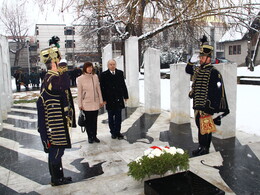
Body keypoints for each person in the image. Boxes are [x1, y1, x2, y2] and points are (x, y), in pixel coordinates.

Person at [36, 39, 76, 186]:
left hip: (55, 122)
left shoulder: (50, 77)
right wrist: (63, 71)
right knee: (56, 151)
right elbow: (64, 85)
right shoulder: (51, 77)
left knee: (57, 151)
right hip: (54, 123)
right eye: (57, 62)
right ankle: (56, 179)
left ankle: (58, 177)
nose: (59, 64)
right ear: (53, 64)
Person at [185, 35, 229, 156]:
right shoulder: (198, 70)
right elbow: (188, 70)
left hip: (207, 106)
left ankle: (206, 148)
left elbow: (218, 92)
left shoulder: (214, 72)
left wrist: (213, 107)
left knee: (206, 128)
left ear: (208, 58)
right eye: (200, 57)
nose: (200, 59)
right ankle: (201, 146)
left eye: (203, 57)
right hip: (197, 105)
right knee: (200, 127)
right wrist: (190, 62)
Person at [100, 59, 129, 140]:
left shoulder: (120, 73)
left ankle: (118, 132)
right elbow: (102, 88)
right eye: (110, 64)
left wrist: (125, 96)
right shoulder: (104, 75)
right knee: (111, 117)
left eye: (114, 64)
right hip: (109, 99)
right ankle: (112, 132)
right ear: (108, 66)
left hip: (118, 98)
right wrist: (104, 99)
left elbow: (123, 85)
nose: (112, 66)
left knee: (118, 117)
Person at [77, 62, 104, 143]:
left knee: (94, 121)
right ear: (85, 68)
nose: (90, 69)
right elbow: (79, 92)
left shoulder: (95, 77)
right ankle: (90, 136)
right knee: (88, 122)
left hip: (95, 102)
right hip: (86, 103)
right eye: (88, 67)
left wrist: (101, 100)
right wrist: (80, 104)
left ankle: (94, 136)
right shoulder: (80, 78)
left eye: (91, 67)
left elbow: (98, 89)